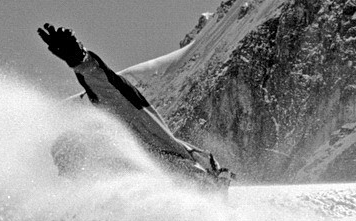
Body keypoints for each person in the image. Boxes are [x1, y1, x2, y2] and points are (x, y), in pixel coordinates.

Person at [38, 23, 231, 191]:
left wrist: (79, 60)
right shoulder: (92, 198)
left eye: (72, 160)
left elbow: (114, 94)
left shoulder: (146, 145)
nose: (69, 171)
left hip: (192, 204)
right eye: (64, 166)